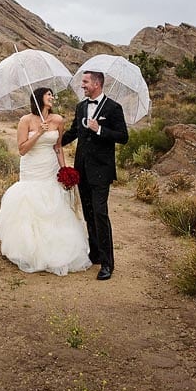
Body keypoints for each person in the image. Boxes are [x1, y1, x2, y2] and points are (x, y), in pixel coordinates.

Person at [0, 87, 92, 276]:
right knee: (32, 203)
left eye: (52, 95)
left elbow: (58, 148)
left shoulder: (58, 120)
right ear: (39, 98)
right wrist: (39, 132)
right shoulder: (25, 121)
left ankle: (57, 249)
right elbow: (22, 149)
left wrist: (65, 170)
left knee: (54, 204)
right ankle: (28, 250)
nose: (52, 97)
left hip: (50, 168)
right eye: (48, 95)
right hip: (32, 168)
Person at [61, 71, 128, 280]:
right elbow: (73, 132)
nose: (82, 85)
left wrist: (100, 129)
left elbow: (123, 137)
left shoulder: (113, 108)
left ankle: (107, 264)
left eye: (85, 82)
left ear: (97, 84)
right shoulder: (81, 107)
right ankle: (95, 254)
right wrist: (53, 143)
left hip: (101, 171)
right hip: (82, 169)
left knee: (100, 214)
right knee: (89, 213)